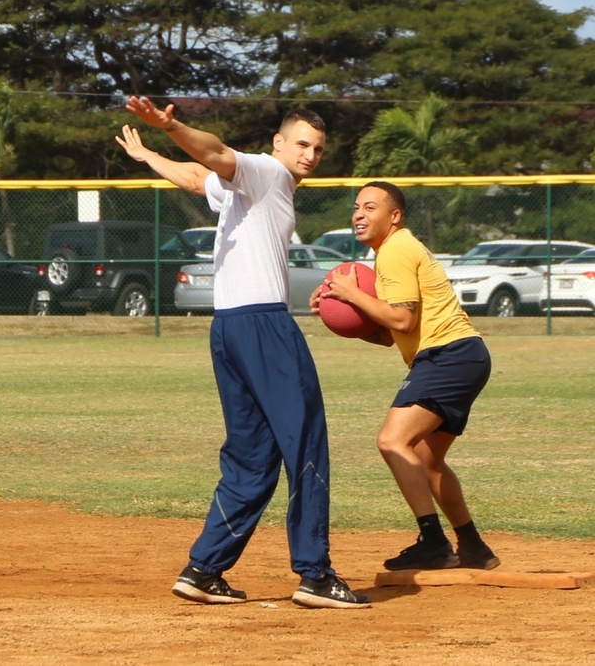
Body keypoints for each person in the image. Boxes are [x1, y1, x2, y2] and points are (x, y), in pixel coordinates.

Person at [116, 96, 370, 609]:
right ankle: (315, 574)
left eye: (318, 148)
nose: (311, 154)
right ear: (278, 143)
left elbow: (194, 178)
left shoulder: (249, 189)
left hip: (227, 326)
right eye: (302, 143)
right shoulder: (266, 173)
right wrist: (173, 126)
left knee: (253, 456)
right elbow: (214, 155)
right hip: (263, 325)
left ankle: (204, 569)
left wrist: (150, 158)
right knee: (305, 443)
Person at [313, 181, 498, 571]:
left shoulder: (396, 249)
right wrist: (341, 313)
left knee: (392, 441)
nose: (359, 214)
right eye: (356, 207)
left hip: (448, 356)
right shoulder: (392, 252)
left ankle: (432, 541)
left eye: (370, 207)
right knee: (428, 461)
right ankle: (473, 547)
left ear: (394, 216)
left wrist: (351, 294)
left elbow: (401, 317)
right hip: (461, 356)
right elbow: (390, 334)